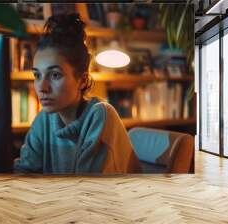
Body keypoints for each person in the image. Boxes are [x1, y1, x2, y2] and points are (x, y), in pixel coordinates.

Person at [13, 13, 140, 174]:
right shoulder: (44, 118)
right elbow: (24, 172)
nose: (42, 88)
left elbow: (86, 191)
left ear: (82, 80)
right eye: (37, 75)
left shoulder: (100, 116)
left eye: (55, 75)